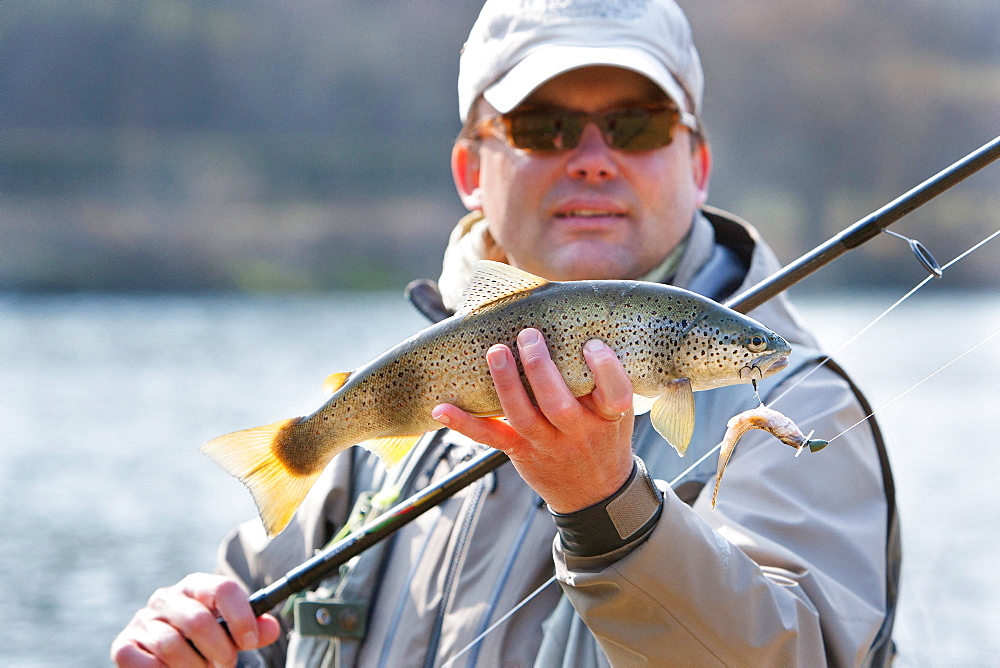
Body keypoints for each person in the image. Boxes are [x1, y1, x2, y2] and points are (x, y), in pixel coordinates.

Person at [112, 0, 900, 665]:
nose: (592, 159)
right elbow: (249, 624)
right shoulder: (389, 433)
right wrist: (198, 641)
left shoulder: (798, 412)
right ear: (469, 170)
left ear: (696, 164)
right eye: (542, 126)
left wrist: (608, 508)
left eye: (637, 123)